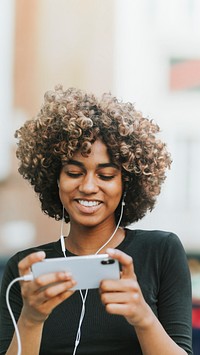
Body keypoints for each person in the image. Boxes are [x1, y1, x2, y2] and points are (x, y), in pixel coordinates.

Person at [0, 85, 193, 355]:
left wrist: (142, 316)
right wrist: (31, 319)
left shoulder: (161, 251)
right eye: (74, 172)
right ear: (55, 179)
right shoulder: (24, 270)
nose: (89, 187)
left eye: (105, 175)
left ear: (127, 183)